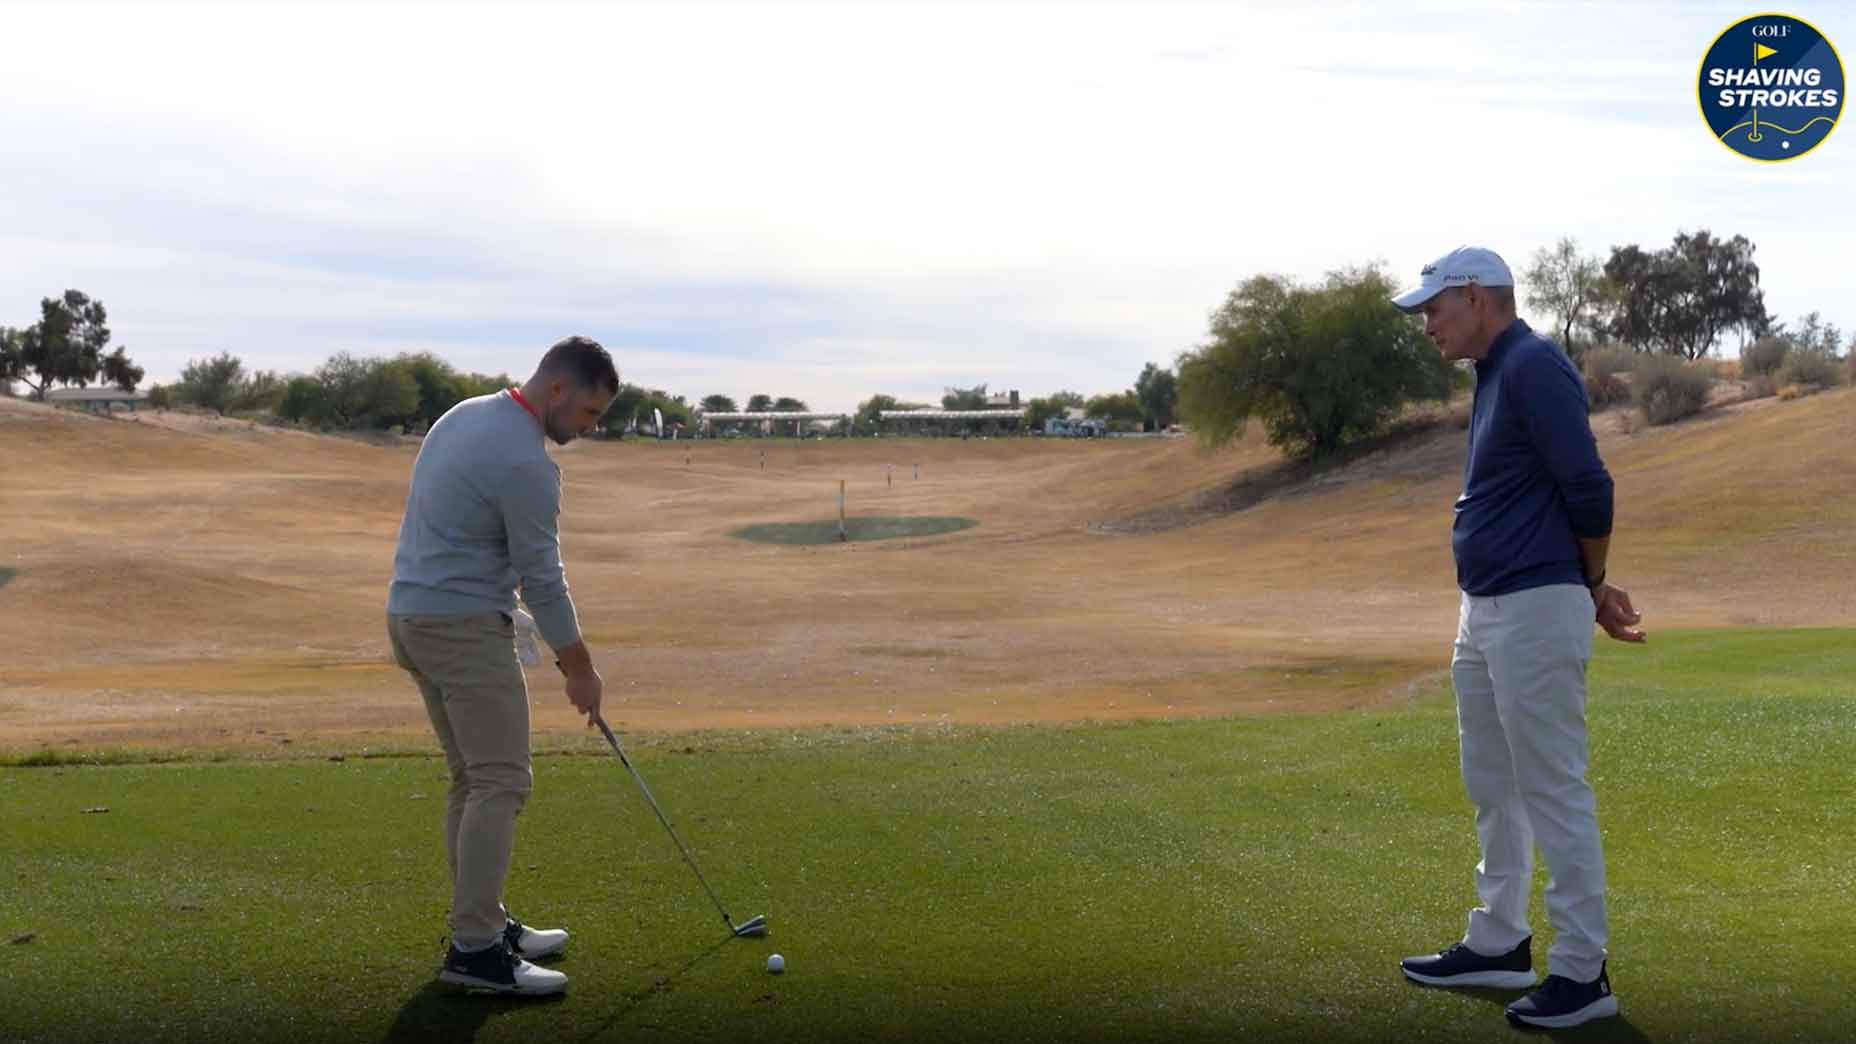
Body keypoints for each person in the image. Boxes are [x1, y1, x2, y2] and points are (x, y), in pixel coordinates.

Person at [1389, 247, 1645, 1030]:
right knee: (1491, 780)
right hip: (1487, 606)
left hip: (1534, 606)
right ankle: (1501, 941)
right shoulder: (1493, 372)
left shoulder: (1533, 366)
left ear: (1476, 297)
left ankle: (1582, 970)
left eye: (1434, 308)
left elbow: (1589, 486)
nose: (1426, 324)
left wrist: (1593, 583)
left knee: (1550, 785)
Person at [386, 335, 619, 995]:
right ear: (558, 391)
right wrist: (579, 668)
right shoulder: (527, 463)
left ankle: (483, 920)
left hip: (411, 616)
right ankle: (476, 951)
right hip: (460, 628)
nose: (587, 428)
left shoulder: (463, 414)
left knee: (471, 779)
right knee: (502, 783)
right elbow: (544, 579)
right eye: (588, 414)